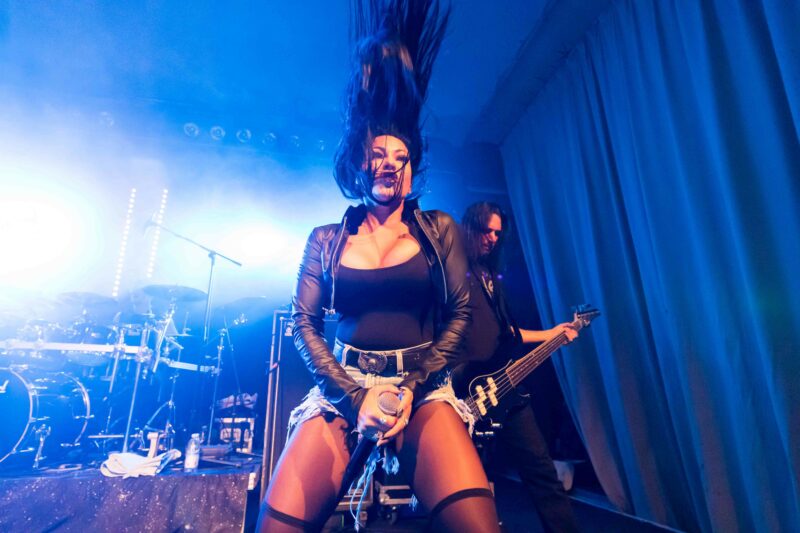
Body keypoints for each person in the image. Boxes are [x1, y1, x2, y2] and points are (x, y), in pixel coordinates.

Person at [257, 2, 501, 531]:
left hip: (422, 385)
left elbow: (460, 316)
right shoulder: (325, 238)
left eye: (400, 157)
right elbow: (303, 323)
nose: (389, 164)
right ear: (359, 165)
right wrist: (355, 397)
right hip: (343, 388)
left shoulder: (439, 228)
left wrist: (410, 387)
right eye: (377, 155)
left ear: (412, 171)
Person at [455, 201, 580, 533]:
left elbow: (508, 333)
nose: (492, 238)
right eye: (486, 231)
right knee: (466, 481)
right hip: (466, 389)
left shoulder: (491, 277)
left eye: (498, 233)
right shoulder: (454, 273)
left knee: (542, 471)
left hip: (506, 386)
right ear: (469, 227)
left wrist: (553, 333)